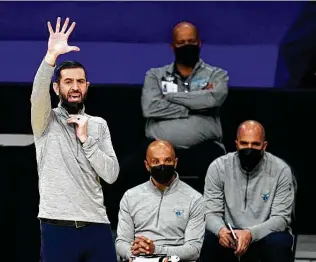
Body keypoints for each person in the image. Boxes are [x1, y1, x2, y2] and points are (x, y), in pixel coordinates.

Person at [31, 17, 119, 262]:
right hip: (57, 225)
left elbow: (111, 174)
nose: (75, 87)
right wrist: (50, 57)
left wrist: (87, 140)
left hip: (97, 224)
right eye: (68, 81)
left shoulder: (98, 124)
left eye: (80, 81)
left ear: (87, 86)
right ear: (57, 88)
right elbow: (37, 96)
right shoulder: (45, 120)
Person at [140, 21, 229, 193]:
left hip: (204, 148)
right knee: (127, 168)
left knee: (219, 172)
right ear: (173, 46)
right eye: (181, 43)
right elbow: (150, 107)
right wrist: (194, 106)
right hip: (159, 147)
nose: (187, 46)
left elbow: (212, 100)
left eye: (191, 42)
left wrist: (170, 98)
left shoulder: (217, 74)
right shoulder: (155, 75)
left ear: (199, 43)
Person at [202, 120, 295, 262]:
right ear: (236, 144)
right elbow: (210, 212)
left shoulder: (281, 170)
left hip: (264, 234)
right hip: (229, 233)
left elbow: (281, 219)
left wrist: (250, 234)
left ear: (264, 146)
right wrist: (221, 230)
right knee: (205, 239)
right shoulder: (218, 167)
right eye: (244, 143)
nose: (249, 149)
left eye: (255, 144)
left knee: (278, 242)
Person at [115, 140, 205, 262]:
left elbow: (193, 250)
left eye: (167, 160)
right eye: (155, 161)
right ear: (147, 165)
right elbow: (121, 242)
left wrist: (155, 250)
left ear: (175, 162)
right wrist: (132, 254)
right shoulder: (130, 196)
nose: (162, 165)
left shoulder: (194, 199)